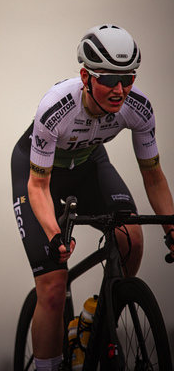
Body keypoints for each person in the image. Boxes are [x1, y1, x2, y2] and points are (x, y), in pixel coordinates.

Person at [11, 24, 174, 371]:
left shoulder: (138, 108)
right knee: (54, 287)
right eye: (108, 79)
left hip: (89, 164)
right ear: (85, 76)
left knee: (132, 239)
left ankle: (93, 317)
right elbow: (38, 187)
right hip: (39, 175)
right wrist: (55, 235)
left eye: (127, 79)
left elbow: (154, 177)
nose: (119, 90)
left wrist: (171, 230)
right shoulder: (55, 108)